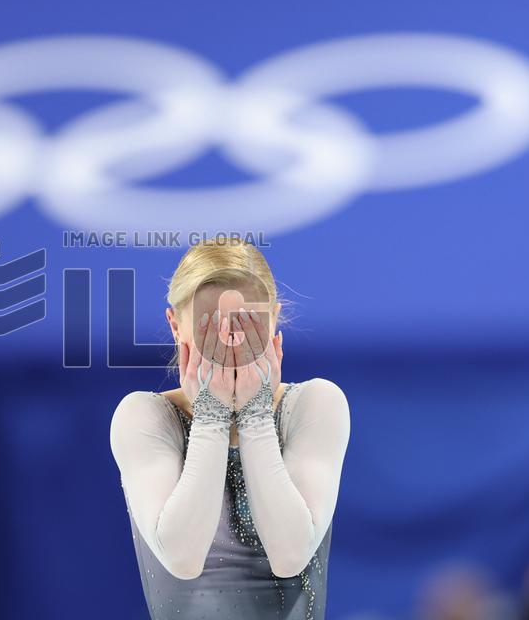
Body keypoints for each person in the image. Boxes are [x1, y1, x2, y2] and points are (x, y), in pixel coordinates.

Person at [109, 238, 350, 620]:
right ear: (176, 325)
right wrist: (210, 416)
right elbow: (183, 557)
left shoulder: (315, 404)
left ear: (274, 321)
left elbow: (290, 555)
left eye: (248, 323)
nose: (231, 339)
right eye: (210, 325)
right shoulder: (144, 416)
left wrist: (255, 414)